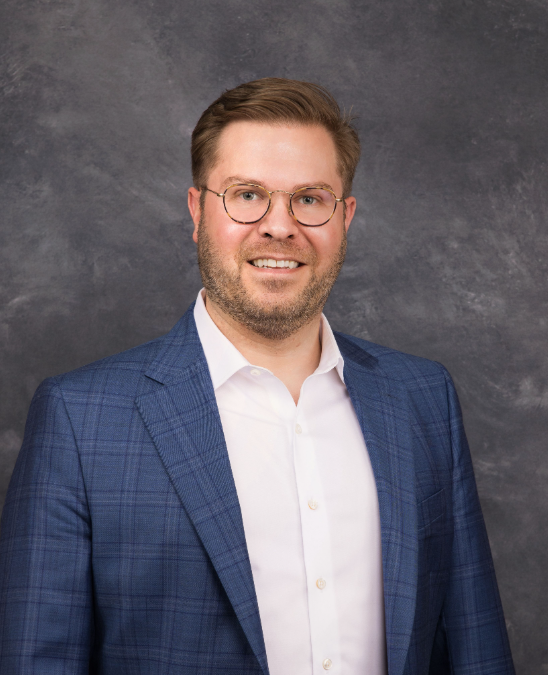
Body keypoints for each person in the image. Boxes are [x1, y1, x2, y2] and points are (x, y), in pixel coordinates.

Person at [0, 78, 515, 675]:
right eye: (247, 195)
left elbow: (476, 651)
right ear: (197, 212)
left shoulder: (423, 398)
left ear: (344, 217)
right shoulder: (81, 419)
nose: (279, 226)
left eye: (310, 199)